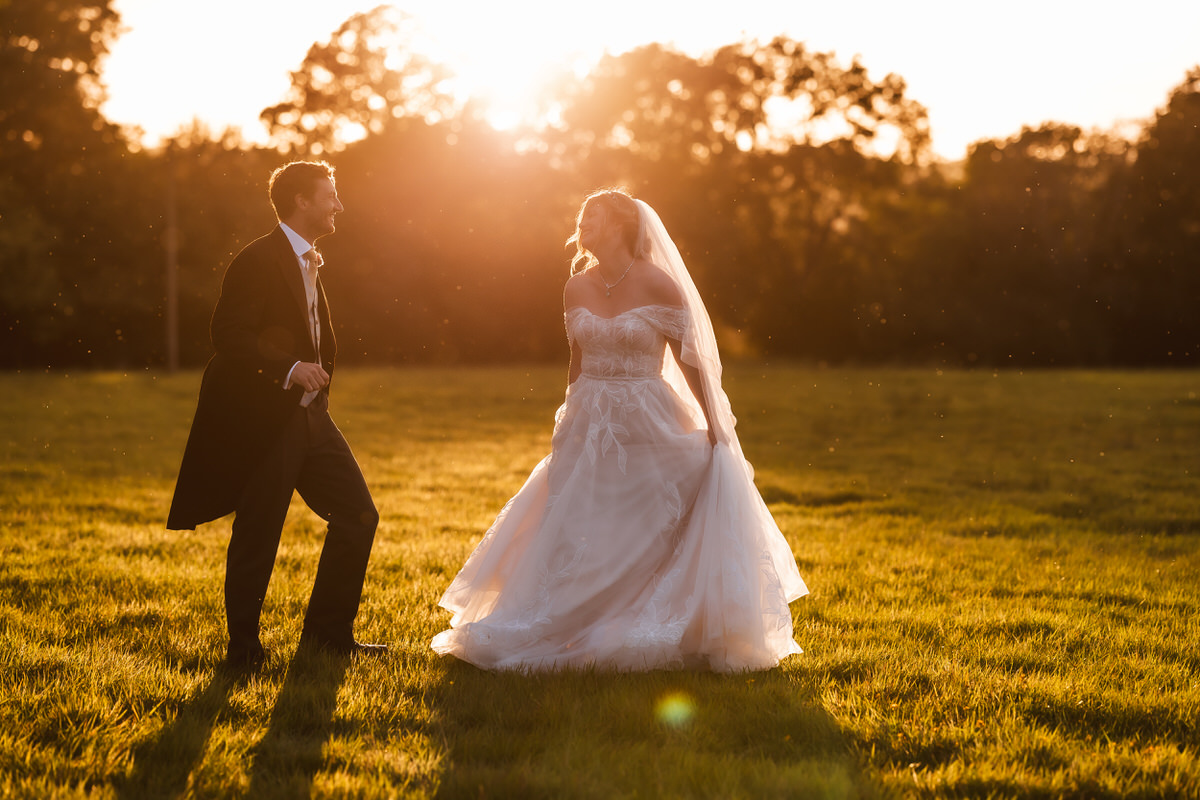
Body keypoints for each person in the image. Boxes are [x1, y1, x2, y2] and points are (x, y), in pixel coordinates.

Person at [431, 189, 807, 672]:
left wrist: (715, 424)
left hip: (647, 418)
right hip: (589, 417)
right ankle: (564, 615)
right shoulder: (576, 287)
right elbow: (576, 358)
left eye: (594, 217)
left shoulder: (660, 285)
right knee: (579, 518)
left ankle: (639, 612)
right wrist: (567, 416)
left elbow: (689, 360)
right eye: (581, 216)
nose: (582, 223)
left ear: (621, 227)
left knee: (645, 520)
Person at [168, 161, 385, 669]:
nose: (339, 205)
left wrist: (317, 384)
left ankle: (329, 636)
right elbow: (229, 335)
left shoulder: (312, 258)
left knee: (359, 517)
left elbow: (316, 335)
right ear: (301, 201)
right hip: (266, 420)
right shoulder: (257, 259)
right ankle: (243, 651)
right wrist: (288, 367)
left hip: (312, 417)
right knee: (259, 533)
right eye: (330, 195)